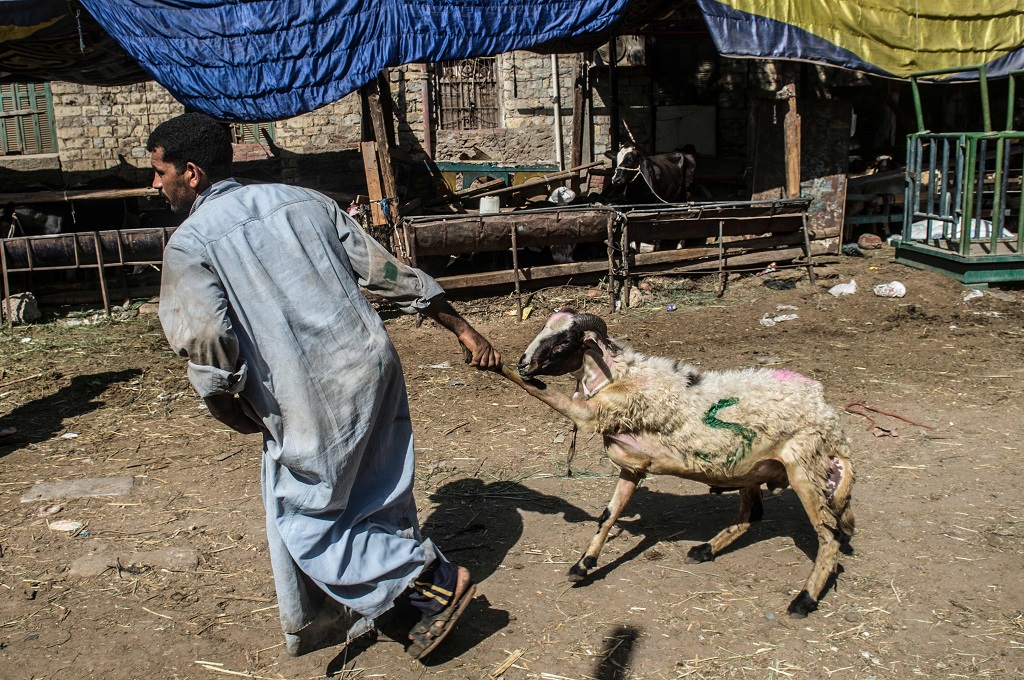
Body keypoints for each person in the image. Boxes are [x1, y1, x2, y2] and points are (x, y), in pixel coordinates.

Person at [148, 112, 501, 660]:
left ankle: (432, 579)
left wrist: (222, 402)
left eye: (159, 170)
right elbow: (385, 272)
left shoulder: (190, 244)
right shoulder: (304, 201)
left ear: (190, 173)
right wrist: (461, 326)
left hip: (306, 391)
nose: (155, 183)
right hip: (371, 365)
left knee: (307, 518)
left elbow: (206, 338)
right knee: (378, 488)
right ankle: (407, 613)